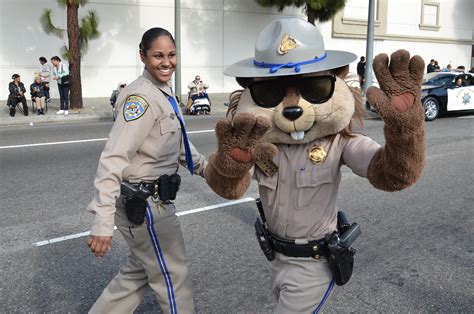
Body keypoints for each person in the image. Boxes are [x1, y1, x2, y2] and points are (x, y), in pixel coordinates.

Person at [86, 27, 207, 313]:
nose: (167, 62)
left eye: (172, 55)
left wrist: (212, 170)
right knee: (173, 278)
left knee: (138, 274)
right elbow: (112, 159)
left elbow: (178, 146)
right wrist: (103, 223)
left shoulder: (162, 92)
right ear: (142, 56)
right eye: (158, 56)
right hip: (147, 208)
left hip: (153, 203)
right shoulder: (140, 99)